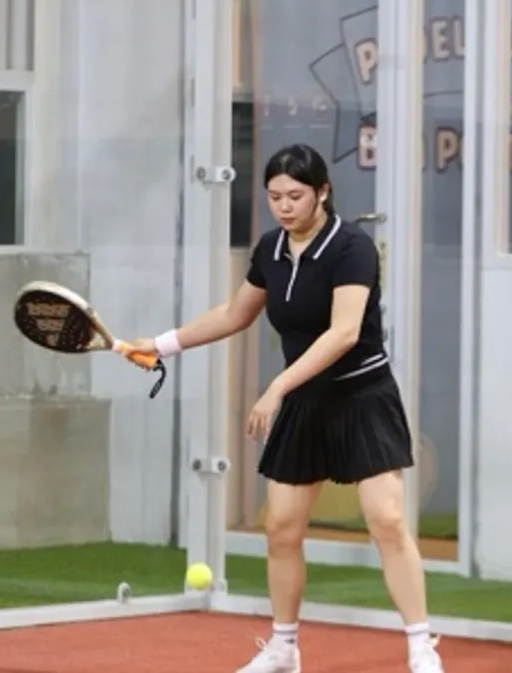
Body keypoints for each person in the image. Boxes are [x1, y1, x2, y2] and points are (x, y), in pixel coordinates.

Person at [125, 143, 444, 673]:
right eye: (274, 196)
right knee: (282, 528)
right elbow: (235, 313)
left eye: (295, 196)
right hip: (305, 402)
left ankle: (420, 646)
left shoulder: (352, 248)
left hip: (362, 396)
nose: (284, 206)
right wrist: (160, 345)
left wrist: (276, 387)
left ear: (323, 193)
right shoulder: (271, 249)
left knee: (387, 520)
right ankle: (284, 649)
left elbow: (344, 334)